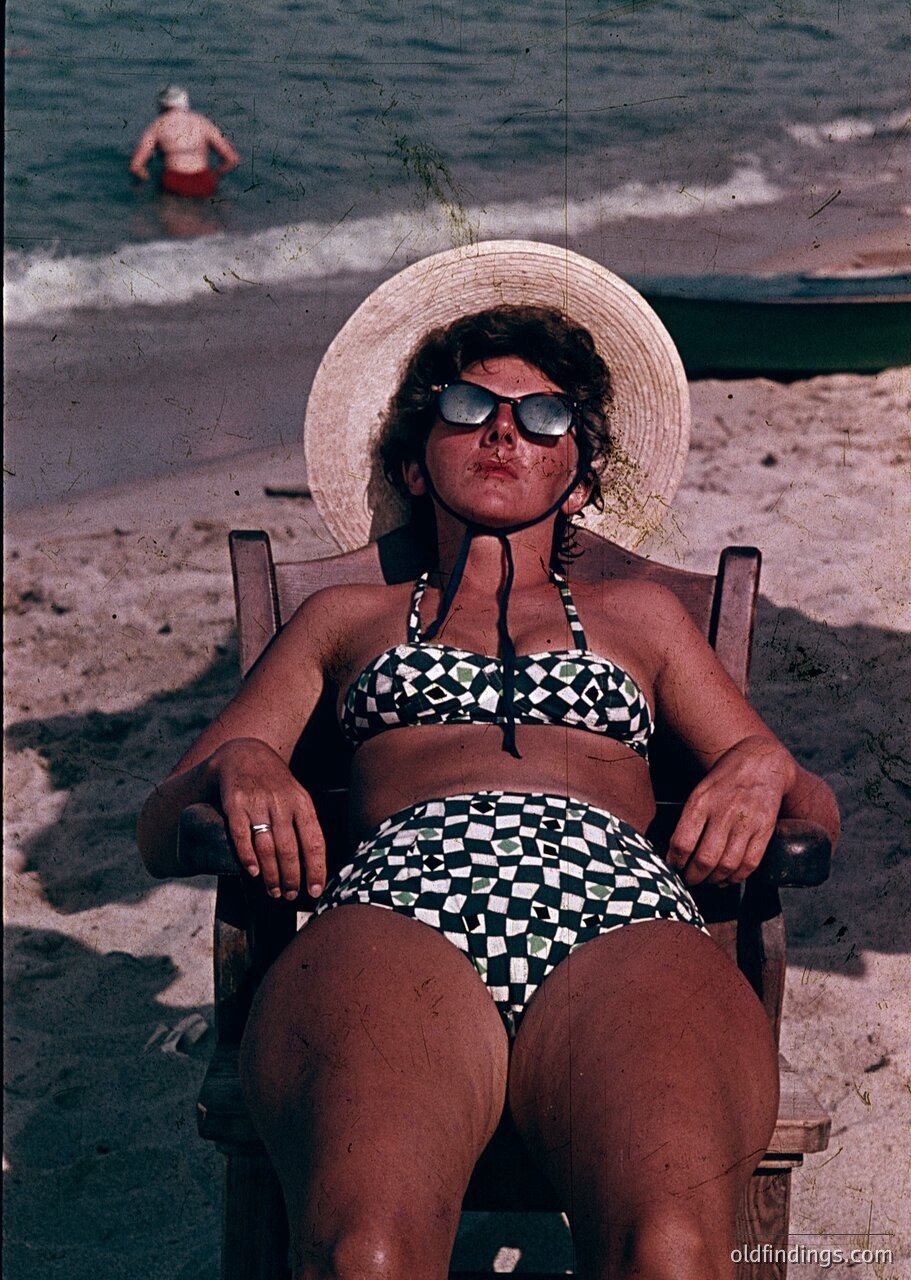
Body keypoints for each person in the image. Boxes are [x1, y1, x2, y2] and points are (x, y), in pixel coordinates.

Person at [137, 242, 840, 1280]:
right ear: (416, 461)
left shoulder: (640, 618)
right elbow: (162, 825)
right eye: (469, 407)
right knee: (364, 1252)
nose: (505, 430)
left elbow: (810, 805)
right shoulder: (347, 616)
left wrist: (761, 765)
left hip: (624, 921)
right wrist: (239, 757)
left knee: (673, 1250)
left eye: (543, 416)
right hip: (394, 915)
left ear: (579, 472)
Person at [129, 85, 239, 198]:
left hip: (173, 182)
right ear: (184, 102)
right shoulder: (203, 123)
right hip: (204, 182)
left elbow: (136, 166)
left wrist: (149, 180)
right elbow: (232, 159)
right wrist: (215, 175)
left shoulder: (157, 127)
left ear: (161, 105)